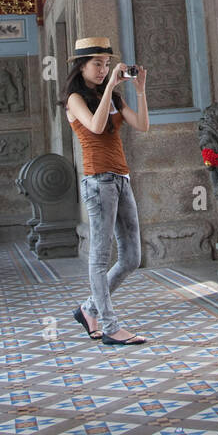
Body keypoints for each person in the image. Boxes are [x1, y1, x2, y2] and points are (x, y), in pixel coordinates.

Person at [60, 37, 149, 347]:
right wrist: (109, 87)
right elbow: (96, 129)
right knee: (100, 258)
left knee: (132, 258)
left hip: (122, 179)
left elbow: (143, 125)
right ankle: (109, 326)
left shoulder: (113, 96)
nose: (103, 69)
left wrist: (139, 91)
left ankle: (88, 309)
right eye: (97, 64)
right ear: (81, 66)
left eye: (107, 64)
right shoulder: (74, 98)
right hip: (98, 181)